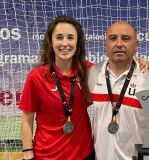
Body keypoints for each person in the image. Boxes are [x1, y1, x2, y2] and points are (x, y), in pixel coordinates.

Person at [19, 16, 94, 160]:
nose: (65, 43)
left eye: (70, 37)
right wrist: (28, 153)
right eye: (59, 37)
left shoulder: (88, 71)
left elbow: (116, 69)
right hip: (46, 156)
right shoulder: (36, 77)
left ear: (77, 43)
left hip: (84, 154)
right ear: (51, 43)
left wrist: (137, 62)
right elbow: (26, 119)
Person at [88, 21, 149, 160]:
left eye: (126, 38)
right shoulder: (91, 75)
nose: (119, 44)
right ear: (106, 44)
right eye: (113, 38)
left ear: (136, 45)